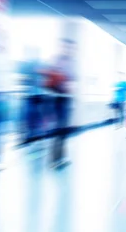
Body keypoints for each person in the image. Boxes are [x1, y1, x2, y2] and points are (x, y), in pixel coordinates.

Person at [46, 39, 76, 169]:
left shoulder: (71, 62)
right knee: (59, 129)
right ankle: (55, 159)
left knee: (63, 129)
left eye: (70, 48)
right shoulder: (55, 61)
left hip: (65, 98)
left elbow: (73, 82)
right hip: (57, 99)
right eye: (66, 47)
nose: (68, 50)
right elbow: (49, 81)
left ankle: (61, 157)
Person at [20, 47, 45, 143]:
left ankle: (35, 134)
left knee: (34, 115)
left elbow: (41, 81)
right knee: (30, 115)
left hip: (37, 95)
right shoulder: (29, 65)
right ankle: (31, 134)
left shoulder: (40, 66)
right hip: (31, 94)